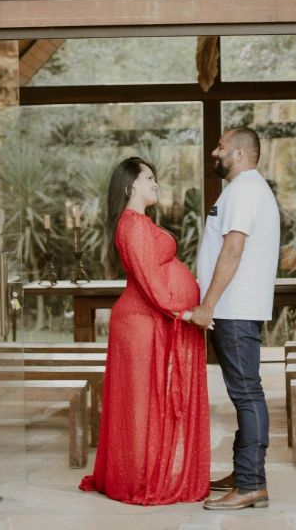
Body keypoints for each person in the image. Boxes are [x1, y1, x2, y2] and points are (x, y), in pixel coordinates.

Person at [79, 157, 210, 505]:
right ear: (130, 186)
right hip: (141, 324)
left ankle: (144, 470)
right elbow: (150, 281)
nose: (155, 184)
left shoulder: (140, 222)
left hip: (149, 321)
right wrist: (184, 311)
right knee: (141, 405)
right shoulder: (132, 224)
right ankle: (136, 477)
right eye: (149, 178)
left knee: (148, 403)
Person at [191, 127, 280, 511]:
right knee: (245, 392)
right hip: (235, 309)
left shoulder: (244, 189)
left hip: (234, 309)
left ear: (240, 153)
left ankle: (251, 483)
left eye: (222, 147)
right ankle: (243, 473)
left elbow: (233, 248)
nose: (215, 151)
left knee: (247, 393)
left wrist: (207, 305)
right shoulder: (243, 188)